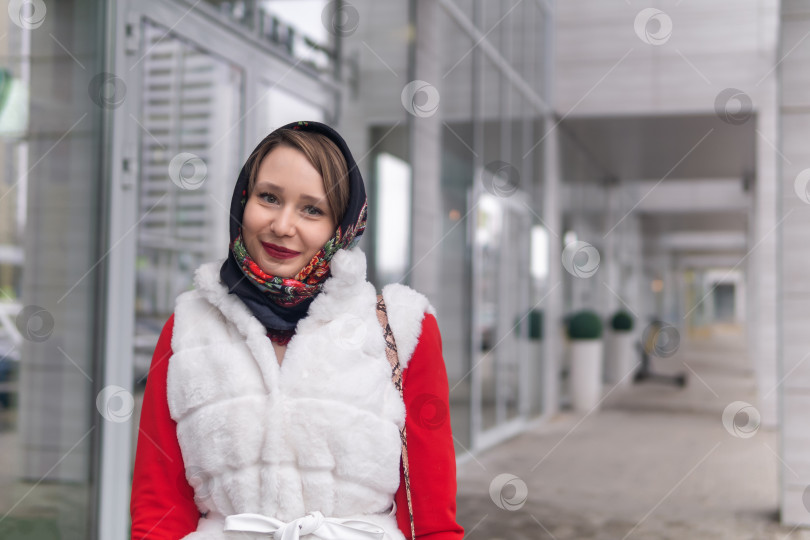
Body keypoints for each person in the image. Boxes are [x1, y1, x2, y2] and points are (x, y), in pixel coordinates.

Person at [130, 121, 464, 540]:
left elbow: (433, 519)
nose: (283, 226)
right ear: (243, 198)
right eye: (269, 197)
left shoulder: (402, 327)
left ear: (341, 225)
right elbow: (159, 507)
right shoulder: (188, 327)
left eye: (312, 209)